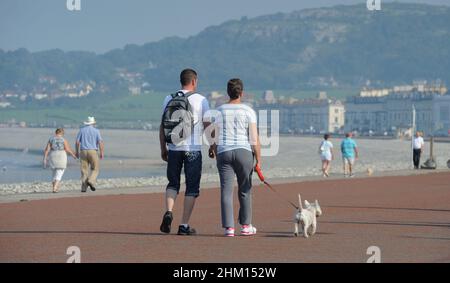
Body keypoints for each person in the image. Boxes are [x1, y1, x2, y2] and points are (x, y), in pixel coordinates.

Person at [159, 68, 210, 236]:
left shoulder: (169, 98)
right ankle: (184, 225)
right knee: (192, 188)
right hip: (192, 149)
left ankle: (169, 212)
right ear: (194, 81)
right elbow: (208, 125)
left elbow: (162, 126)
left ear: (181, 81)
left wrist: (163, 148)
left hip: (174, 148)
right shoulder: (201, 100)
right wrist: (213, 146)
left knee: (173, 183)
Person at [208, 78, 261, 237]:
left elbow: (214, 134)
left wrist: (213, 149)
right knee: (245, 189)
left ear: (227, 93)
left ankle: (229, 228)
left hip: (224, 152)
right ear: (241, 93)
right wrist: (258, 159)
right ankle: (246, 226)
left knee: (226, 191)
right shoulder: (248, 111)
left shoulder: (219, 111)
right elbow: (254, 138)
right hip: (243, 152)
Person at [43, 128, 77, 193]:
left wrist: (45, 158)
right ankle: (55, 187)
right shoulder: (63, 140)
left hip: (53, 154)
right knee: (60, 172)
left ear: (56, 132)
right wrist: (73, 155)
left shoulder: (51, 139)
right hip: (61, 155)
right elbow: (67, 149)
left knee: (54, 172)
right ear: (62, 133)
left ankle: (55, 188)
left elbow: (47, 149)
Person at [75, 117, 104, 192]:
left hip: (83, 151)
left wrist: (76, 152)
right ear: (93, 123)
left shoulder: (81, 130)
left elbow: (77, 142)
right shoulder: (96, 131)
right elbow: (100, 142)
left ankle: (83, 188)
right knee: (95, 168)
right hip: (93, 151)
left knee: (84, 170)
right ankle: (91, 180)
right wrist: (102, 152)